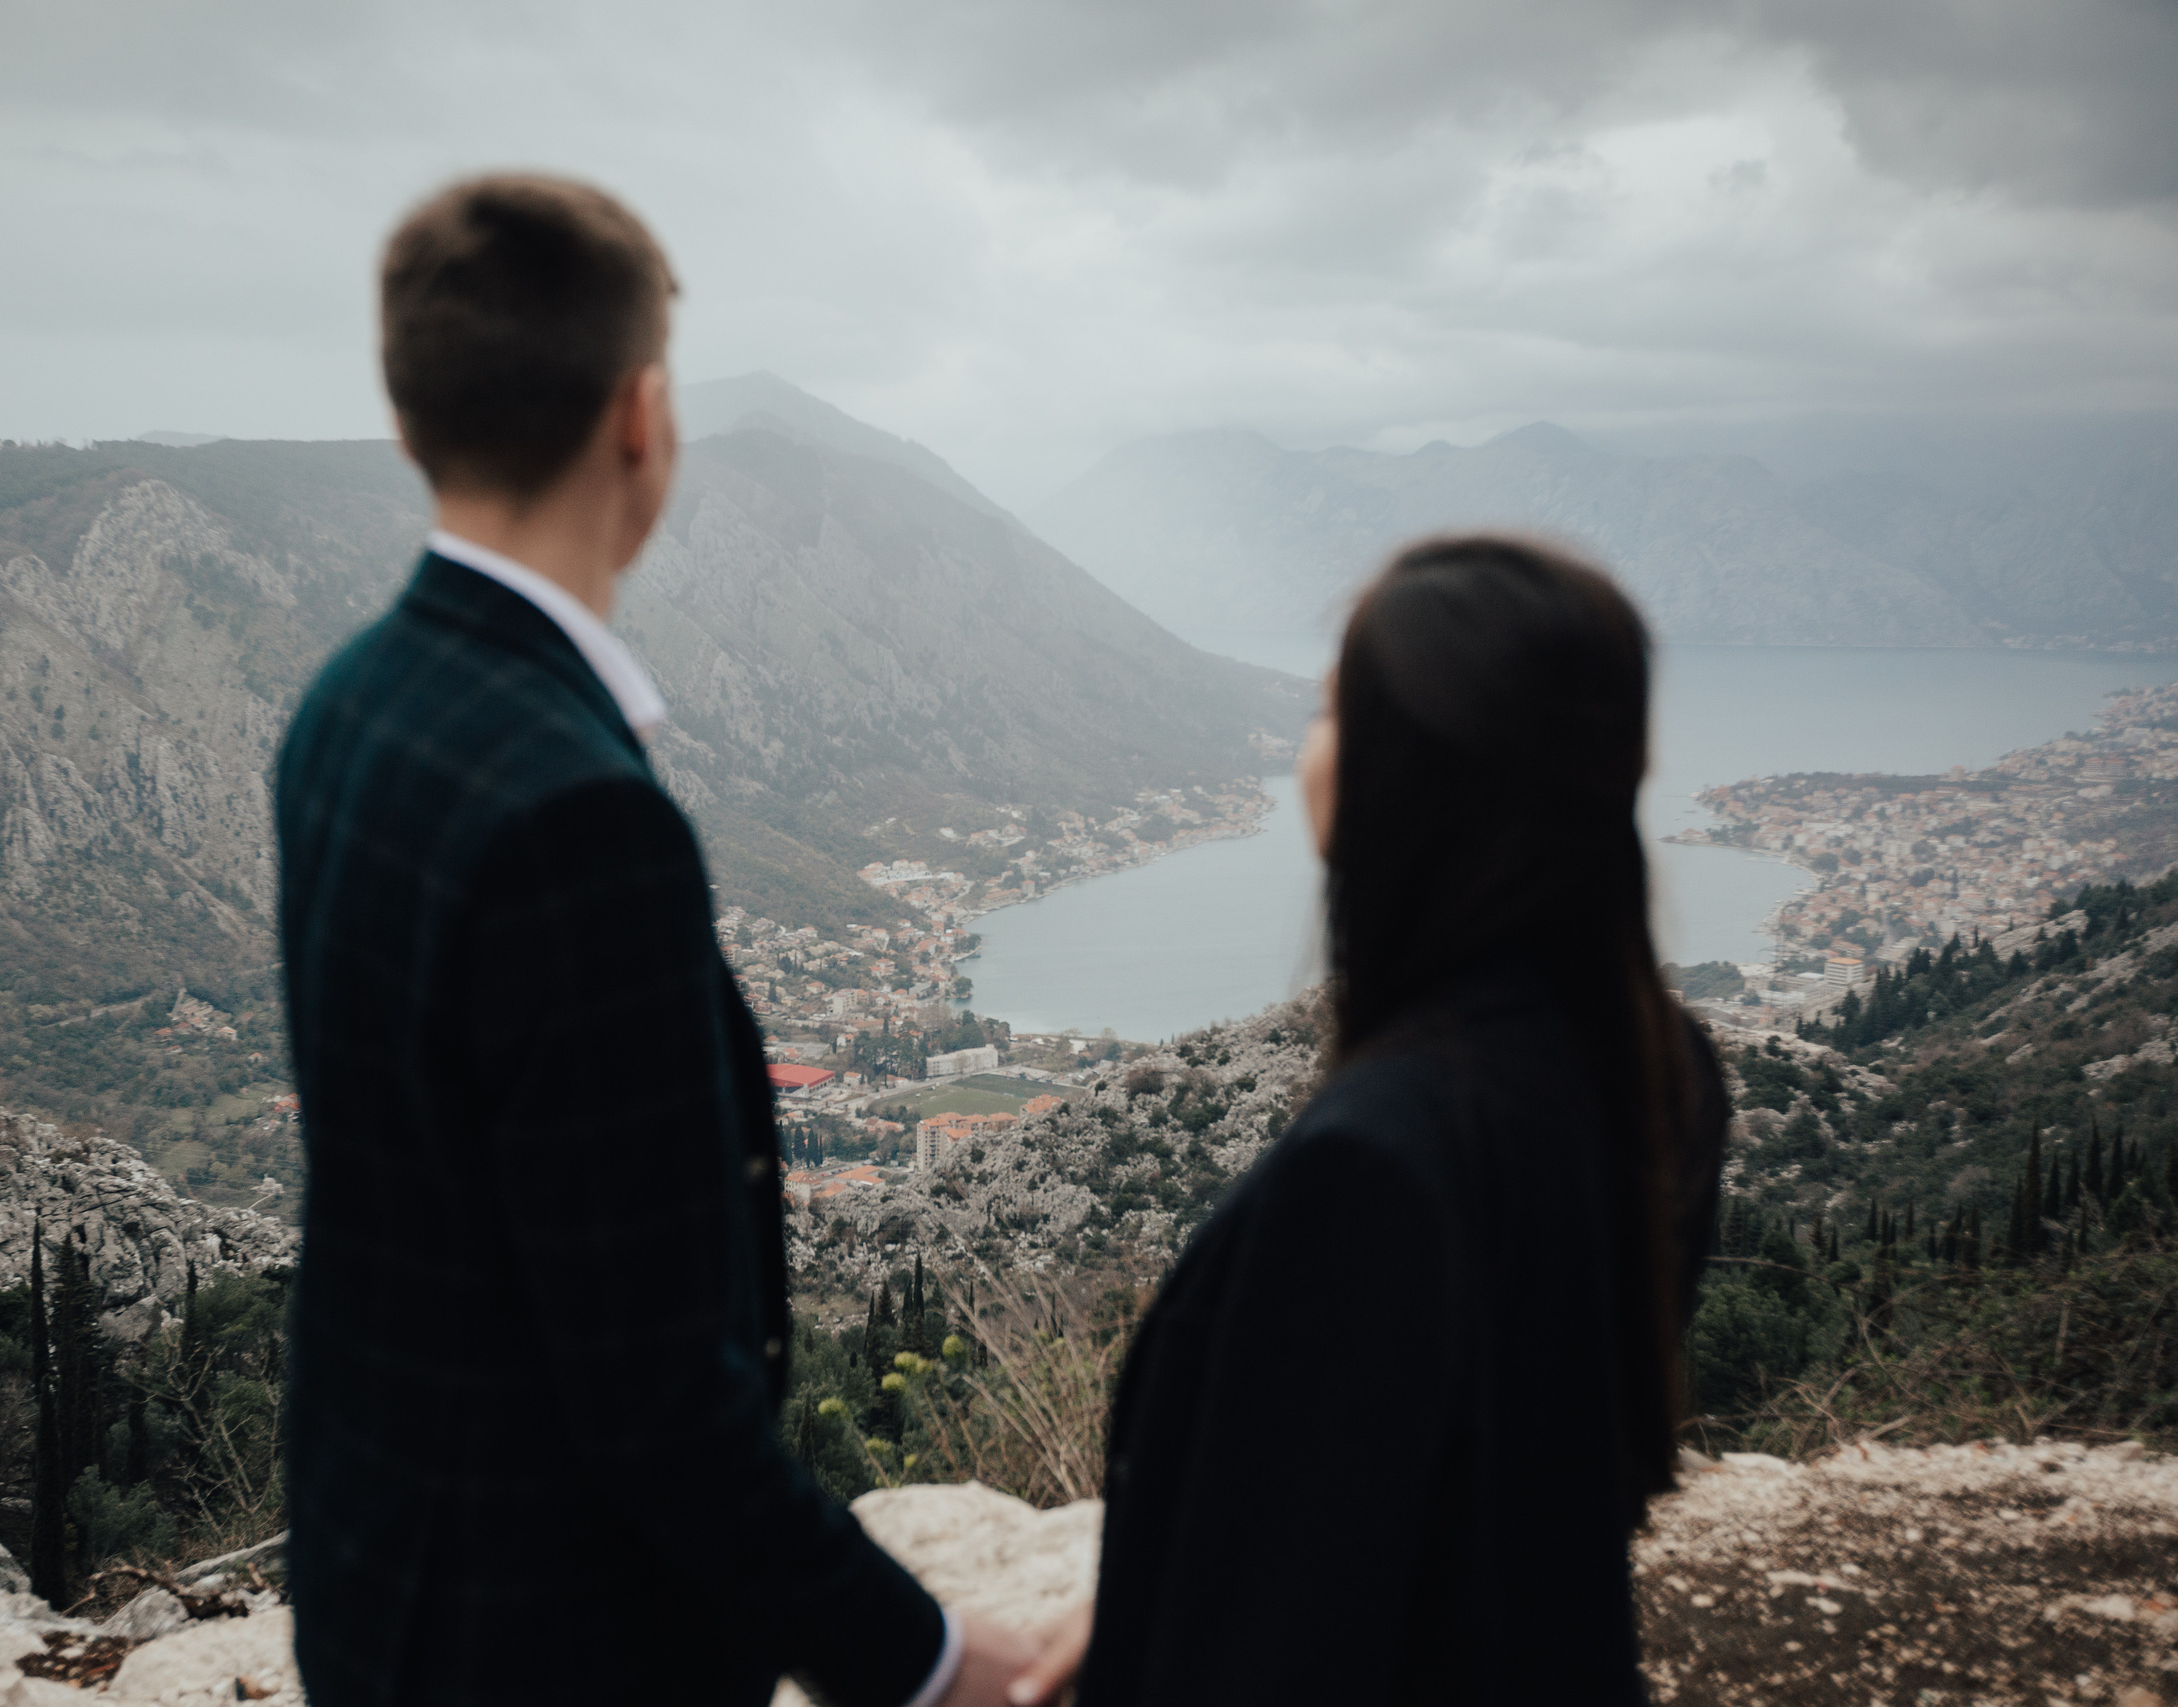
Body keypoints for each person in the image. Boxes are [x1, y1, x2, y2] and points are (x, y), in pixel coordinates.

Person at [275, 174, 1033, 1707]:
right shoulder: (576, 817)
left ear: (414, 420)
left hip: (382, 1580)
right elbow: (653, 1399)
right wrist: (933, 1660)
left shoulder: (345, 704)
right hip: (553, 1637)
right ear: (642, 417)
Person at [1010, 535, 1728, 1707]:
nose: (1306, 754)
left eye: (1329, 715)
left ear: (1404, 779)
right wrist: (1177, 1577)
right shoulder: (1662, 1076)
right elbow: (1465, 1504)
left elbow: (1283, 1644)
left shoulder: (1373, 1170)